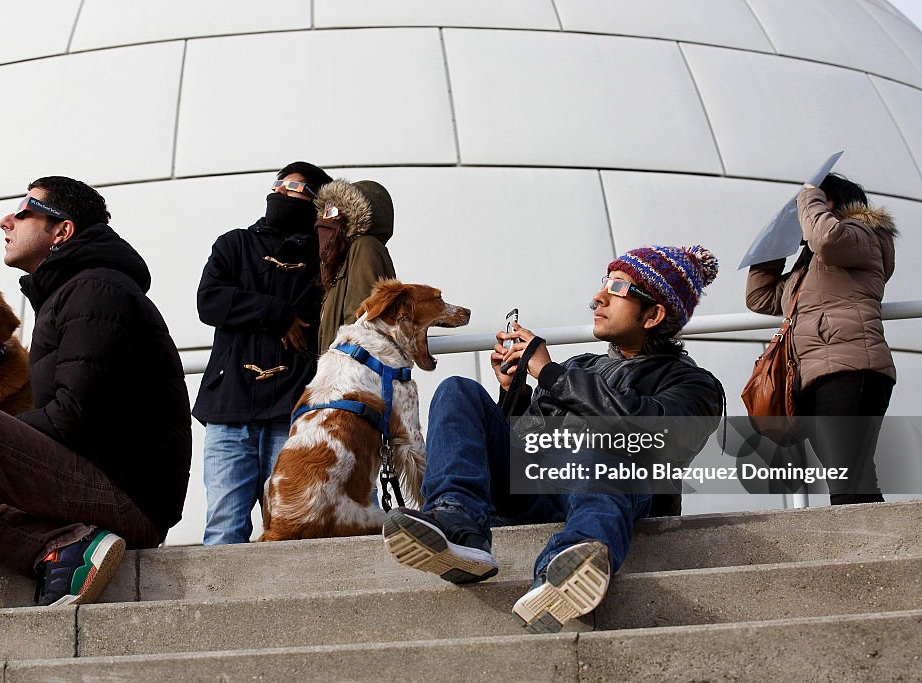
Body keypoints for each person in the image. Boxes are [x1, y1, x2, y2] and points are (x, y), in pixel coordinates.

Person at [382, 245, 724, 633]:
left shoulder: (693, 384)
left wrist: (551, 374)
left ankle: (562, 572)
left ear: (654, 314)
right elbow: (527, 441)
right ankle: (458, 524)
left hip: (609, 491)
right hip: (538, 488)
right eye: (603, 284)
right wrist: (516, 391)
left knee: (605, 456)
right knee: (457, 390)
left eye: (617, 287)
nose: (598, 297)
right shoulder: (583, 366)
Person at [0, 176, 192, 606]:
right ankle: (64, 548)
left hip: (128, 500)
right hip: (99, 500)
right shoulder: (69, 294)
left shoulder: (95, 291)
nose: (6, 220)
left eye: (24, 211)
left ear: (62, 231)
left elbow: (73, 418)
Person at [192, 161, 332, 544]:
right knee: (224, 528)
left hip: (290, 409)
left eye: (299, 186)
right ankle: (219, 606)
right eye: (282, 183)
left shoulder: (325, 260)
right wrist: (275, 313)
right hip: (229, 407)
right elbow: (209, 302)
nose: (286, 190)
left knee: (290, 527)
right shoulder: (233, 243)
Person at [746, 174, 897, 505]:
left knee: (846, 473)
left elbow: (826, 238)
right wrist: (775, 243)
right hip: (817, 374)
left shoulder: (862, 234)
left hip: (850, 368)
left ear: (831, 203)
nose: (803, 211)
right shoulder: (808, 269)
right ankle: (875, 548)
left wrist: (808, 196)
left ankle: (869, 551)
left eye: (813, 203)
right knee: (849, 472)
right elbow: (760, 297)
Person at [313, 178, 396, 354]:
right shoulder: (343, 259)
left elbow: (360, 322)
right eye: (324, 211)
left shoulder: (365, 247)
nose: (323, 220)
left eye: (332, 211)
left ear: (354, 216)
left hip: (352, 374)